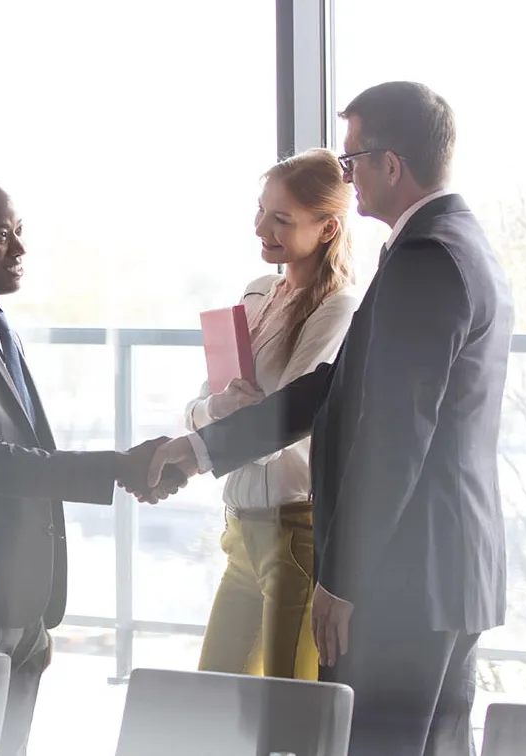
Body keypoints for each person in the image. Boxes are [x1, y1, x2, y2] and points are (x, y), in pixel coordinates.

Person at [143, 82, 514, 755]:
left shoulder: (427, 259)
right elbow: (332, 392)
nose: (348, 176)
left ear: (391, 165)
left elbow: (396, 435)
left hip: (408, 577)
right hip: (446, 573)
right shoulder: (457, 244)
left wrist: (342, 578)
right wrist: (199, 449)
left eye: (352, 160)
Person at [0, 176, 181, 756]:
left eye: (19, 232)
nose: (20, 249)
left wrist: (34, 621)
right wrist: (118, 467)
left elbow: (23, 451)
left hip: (19, 604)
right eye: (1, 238)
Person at [186, 148, 360, 681]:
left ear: (328, 228)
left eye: (282, 218)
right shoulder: (257, 293)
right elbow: (198, 407)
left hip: (292, 536)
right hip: (239, 532)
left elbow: (280, 433)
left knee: (282, 714)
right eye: (262, 210)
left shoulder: (338, 306)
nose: (262, 227)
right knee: (211, 696)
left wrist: (228, 424)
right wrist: (223, 412)